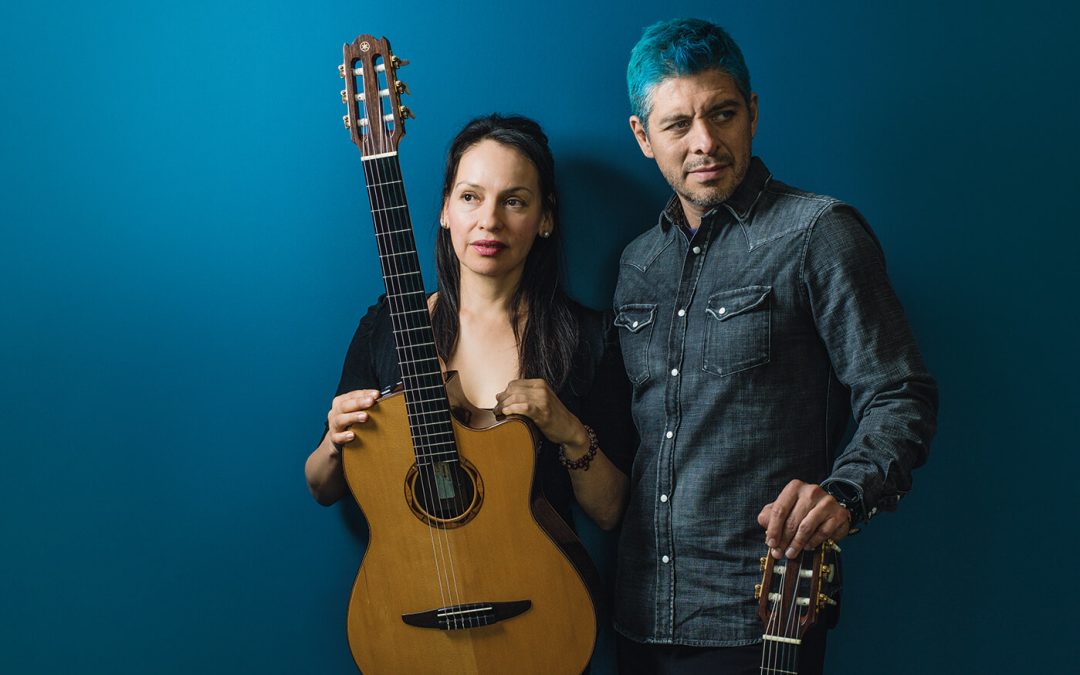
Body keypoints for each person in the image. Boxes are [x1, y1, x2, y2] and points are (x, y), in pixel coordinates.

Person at [611, 18, 939, 674]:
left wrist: (843, 496)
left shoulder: (819, 232)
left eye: (722, 113)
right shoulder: (636, 263)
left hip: (762, 612)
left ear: (752, 113)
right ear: (643, 137)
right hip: (636, 614)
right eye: (678, 124)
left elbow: (900, 395)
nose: (705, 142)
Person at [305, 114, 632, 536]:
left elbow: (611, 513)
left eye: (513, 200)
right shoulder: (388, 327)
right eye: (470, 197)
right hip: (416, 586)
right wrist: (334, 439)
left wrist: (569, 430)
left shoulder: (587, 338)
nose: (489, 220)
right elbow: (321, 488)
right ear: (445, 209)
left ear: (545, 218)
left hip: (540, 589)